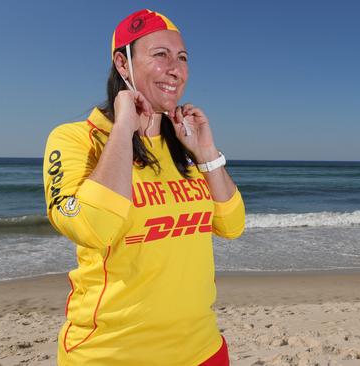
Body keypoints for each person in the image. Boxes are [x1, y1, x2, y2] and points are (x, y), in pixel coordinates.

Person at [42, 9, 244, 365]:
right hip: (111, 354)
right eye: (160, 55)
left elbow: (232, 225)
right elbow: (92, 226)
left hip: (203, 349)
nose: (176, 69)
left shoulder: (184, 145)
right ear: (123, 64)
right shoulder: (76, 139)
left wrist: (206, 152)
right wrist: (122, 129)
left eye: (182, 57)